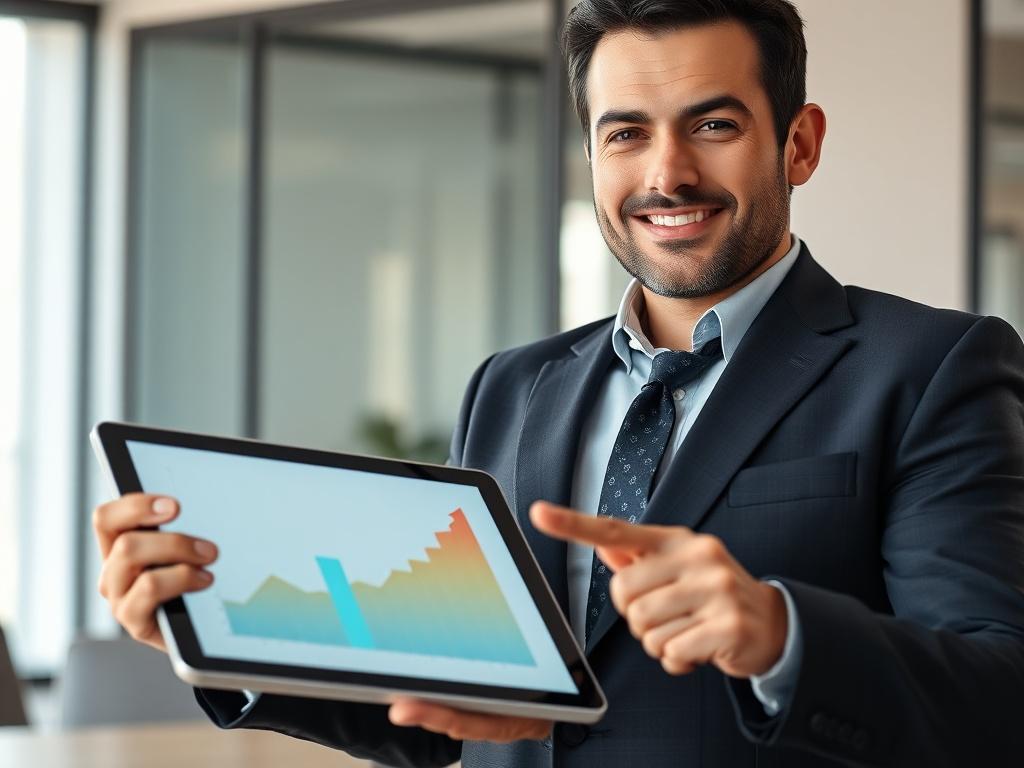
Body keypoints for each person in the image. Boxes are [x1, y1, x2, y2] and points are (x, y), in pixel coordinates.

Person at [92, 1, 1024, 765]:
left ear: (800, 144)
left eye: (713, 123)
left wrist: (782, 635)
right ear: (593, 157)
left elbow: (999, 694)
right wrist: (219, 629)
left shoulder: (932, 367)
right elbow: (440, 707)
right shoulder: (512, 387)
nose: (667, 173)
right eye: (626, 133)